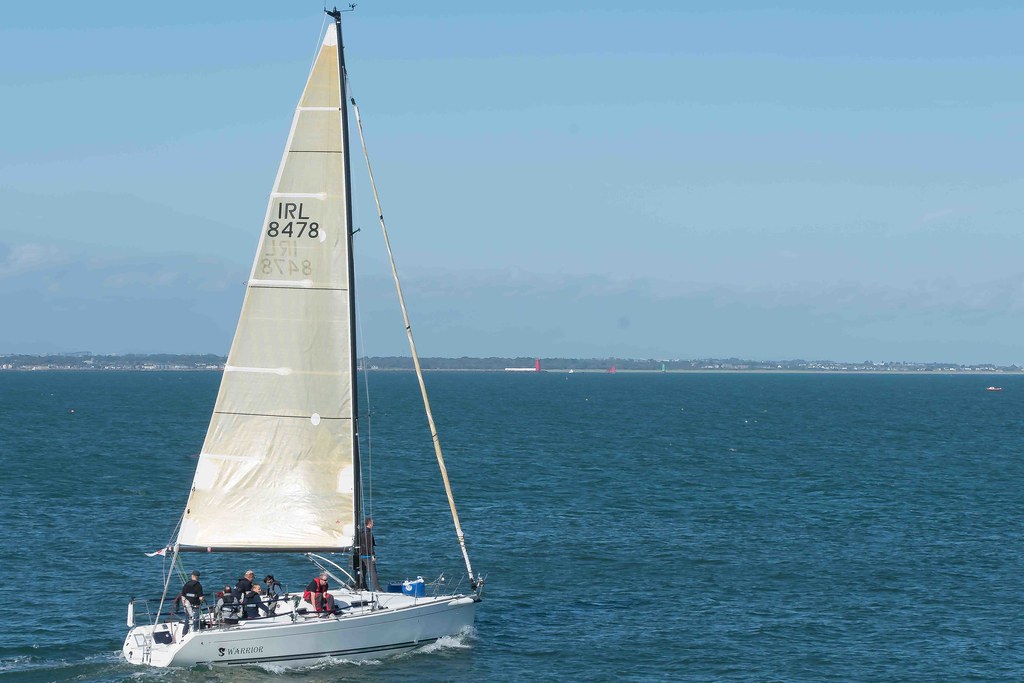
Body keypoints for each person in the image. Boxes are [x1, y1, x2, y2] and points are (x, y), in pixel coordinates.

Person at [178, 571, 204, 635]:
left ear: (192, 576)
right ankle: (195, 632)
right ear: (198, 577)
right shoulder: (198, 585)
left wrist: (184, 604)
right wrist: (202, 600)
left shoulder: (187, 584)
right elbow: (201, 598)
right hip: (196, 606)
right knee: (196, 619)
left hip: (187, 605)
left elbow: (183, 596)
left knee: (187, 620)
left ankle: (184, 634)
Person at [360, 517, 382, 591]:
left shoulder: (361, 532)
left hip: (361, 555)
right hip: (368, 556)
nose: (373, 524)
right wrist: (373, 556)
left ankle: (363, 587)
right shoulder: (369, 533)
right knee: (373, 573)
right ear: (369, 524)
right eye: (372, 523)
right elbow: (370, 546)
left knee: (363, 573)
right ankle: (377, 588)